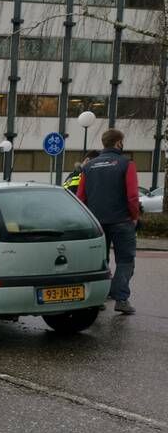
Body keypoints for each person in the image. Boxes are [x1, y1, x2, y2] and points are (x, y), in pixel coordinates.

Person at [75, 129, 140, 315]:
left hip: (96, 223)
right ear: (118, 142)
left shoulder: (88, 167)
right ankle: (121, 299)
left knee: (99, 261)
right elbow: (133, 196)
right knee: (125, 260)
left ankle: (98, 299)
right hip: (121, 220)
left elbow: (81, 198)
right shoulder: (126, 164)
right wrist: (134, 216)